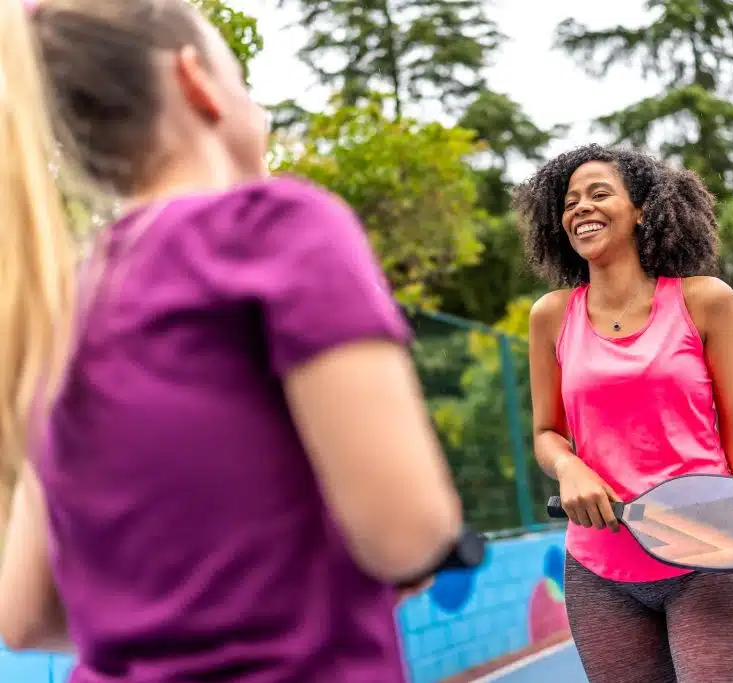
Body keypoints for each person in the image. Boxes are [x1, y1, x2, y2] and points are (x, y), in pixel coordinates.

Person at [0, 1, 464, 681]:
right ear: (198, 82)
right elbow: (409, 534)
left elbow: (23, 613)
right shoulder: (279, 228)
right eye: (240, 76)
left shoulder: (56, 304)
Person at [514, 143, 733, 683]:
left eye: (599, 193)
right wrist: (569, 466)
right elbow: (545, 434)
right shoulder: (551, 317)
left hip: (711, 553)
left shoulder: (706, 301)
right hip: (599, 570)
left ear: (641, 210)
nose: (580, 207)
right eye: (570, 201)